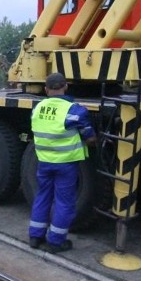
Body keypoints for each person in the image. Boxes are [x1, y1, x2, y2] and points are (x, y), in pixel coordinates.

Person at [28, 72, 96, 253]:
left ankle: (35, 237)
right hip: (66, 164)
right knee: (64, 202)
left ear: (45, 89)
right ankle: (56, 241)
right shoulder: (74, 110)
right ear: (65, 86)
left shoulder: (37, 108)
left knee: (42, 197)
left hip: (44, 162)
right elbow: (89, 137)